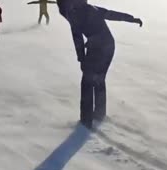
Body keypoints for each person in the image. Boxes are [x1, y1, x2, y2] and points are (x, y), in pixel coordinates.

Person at [57, 0, 143, 128]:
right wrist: (131, 19)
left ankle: (86, 122)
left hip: (98, 48)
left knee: (87, 83)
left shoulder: (73, 13)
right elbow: (110, 14)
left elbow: (78, 38)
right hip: (109, 45)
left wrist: (81, 59)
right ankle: (99, 114)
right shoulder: (92, 8)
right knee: (99, 80)